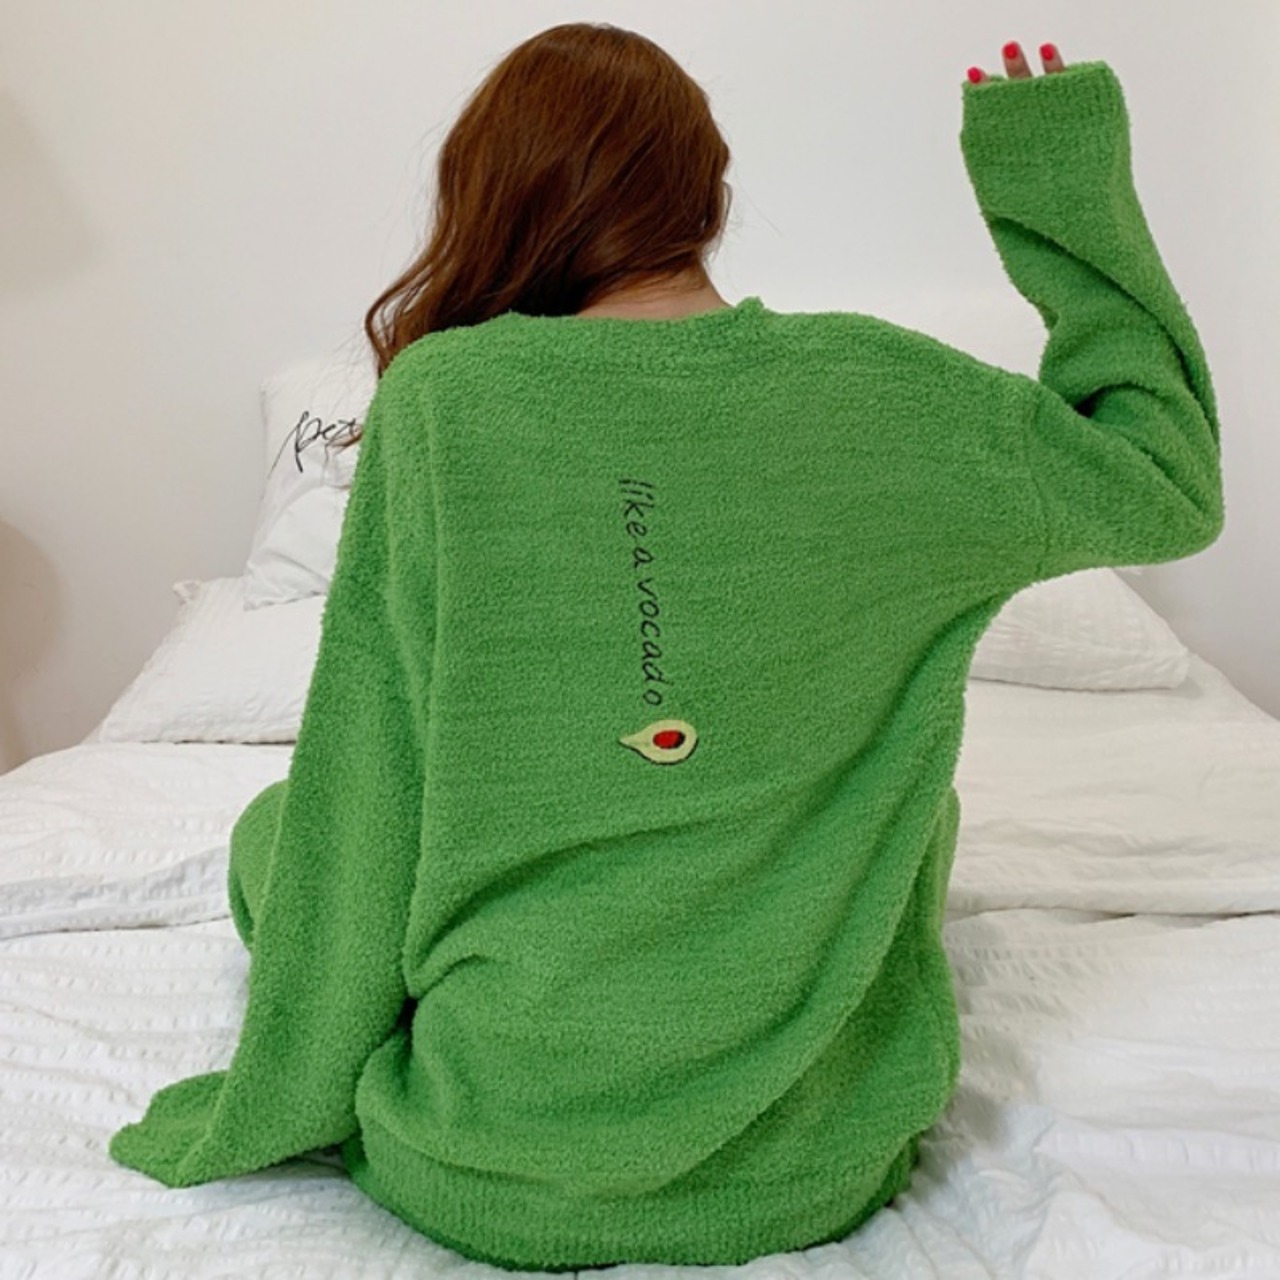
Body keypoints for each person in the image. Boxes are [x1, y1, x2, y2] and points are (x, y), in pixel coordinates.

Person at [109, 22, 1224, 1272]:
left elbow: (366, 789)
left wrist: (291, 1080)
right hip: (806, 1164)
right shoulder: (879, 390)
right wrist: (1059, 194)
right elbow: (1163, 483)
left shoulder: (443, 401)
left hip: (487, 1162)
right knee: (908, 803)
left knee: (281, 834)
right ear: (708, 195)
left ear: (494, 192)